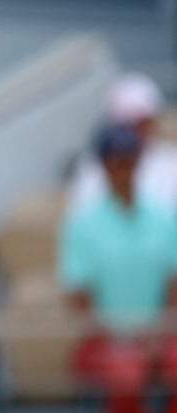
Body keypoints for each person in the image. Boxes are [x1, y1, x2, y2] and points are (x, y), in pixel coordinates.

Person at [57, 124, 177, 413]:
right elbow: (79, 294)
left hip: (161, 331)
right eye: (114, 159)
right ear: (103, 165)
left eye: (128, 157)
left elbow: (174, 280)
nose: (122, 166)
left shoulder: (163, 215)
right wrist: (118, 339)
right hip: (105, 338)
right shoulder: (81, 223)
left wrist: (158, 333)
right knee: (126, 373)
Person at [67, 71, 177, 213]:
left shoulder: (170, 159)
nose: (141, 131)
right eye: (133, 124)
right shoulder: (94, 167)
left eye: (146, 123)